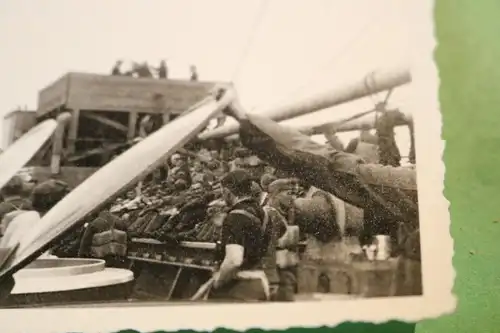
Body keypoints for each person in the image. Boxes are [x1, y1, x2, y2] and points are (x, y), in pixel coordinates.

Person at [210, 86, 420, 265]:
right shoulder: (416, 187)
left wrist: (244, 118)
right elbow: (333, 166)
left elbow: (332, 166)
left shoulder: (411, 187)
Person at [208, 170, 272, 301]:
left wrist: (218, 282)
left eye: (222, 191)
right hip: (259, 283)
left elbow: (234, 260)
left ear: (227, 192)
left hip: (238, 288)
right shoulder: (263, 213)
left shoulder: (236, 216)